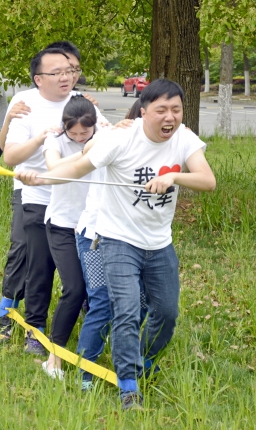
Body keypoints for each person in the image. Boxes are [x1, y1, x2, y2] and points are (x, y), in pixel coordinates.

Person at [15, 79, 216, 410]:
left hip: (159, 242)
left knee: (165, 312)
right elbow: (74, 169)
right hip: (117, 239)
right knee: (124, 309)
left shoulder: (184, 138)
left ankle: (145, 362)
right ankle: (129, 387)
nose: (170, 117)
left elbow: (207, 180)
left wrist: (174, 177)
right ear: (143, 111)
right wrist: (37, 177)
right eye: (161, 110)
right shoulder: (121, 139)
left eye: (176, 110)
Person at [0, 41, 103, 343]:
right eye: (57, 72)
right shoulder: (25, 104)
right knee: (29, 261)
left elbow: (106, 138)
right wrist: (40, 138)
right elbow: (9, 155)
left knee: (80, 267)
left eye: (70, 70)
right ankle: (16, 320)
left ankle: (82, 316)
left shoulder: (81, 101)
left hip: (77, 202)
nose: (66, 77)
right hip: (36, 195)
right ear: (38, 78)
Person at [74, 97, 143, 391]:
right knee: (102, 302)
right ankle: (85, 372)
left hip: (133, 240)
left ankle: (132, 363)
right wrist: (111, 131)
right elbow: (87, 148)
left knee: (139, 304)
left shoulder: (162, 148)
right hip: (96, 237)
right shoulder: (114, 136)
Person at [39, 95, 101, 379]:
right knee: (74, 289)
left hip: (95, 227)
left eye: (84, 133)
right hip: (62, 224)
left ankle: (93, 351)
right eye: (72, 133)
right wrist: (88, 150)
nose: (77, 137)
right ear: (63, 127)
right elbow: (55, 169)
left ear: (95, 125)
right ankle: (54, 357)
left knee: (95, 293)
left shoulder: (105, 134)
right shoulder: (55, 140)